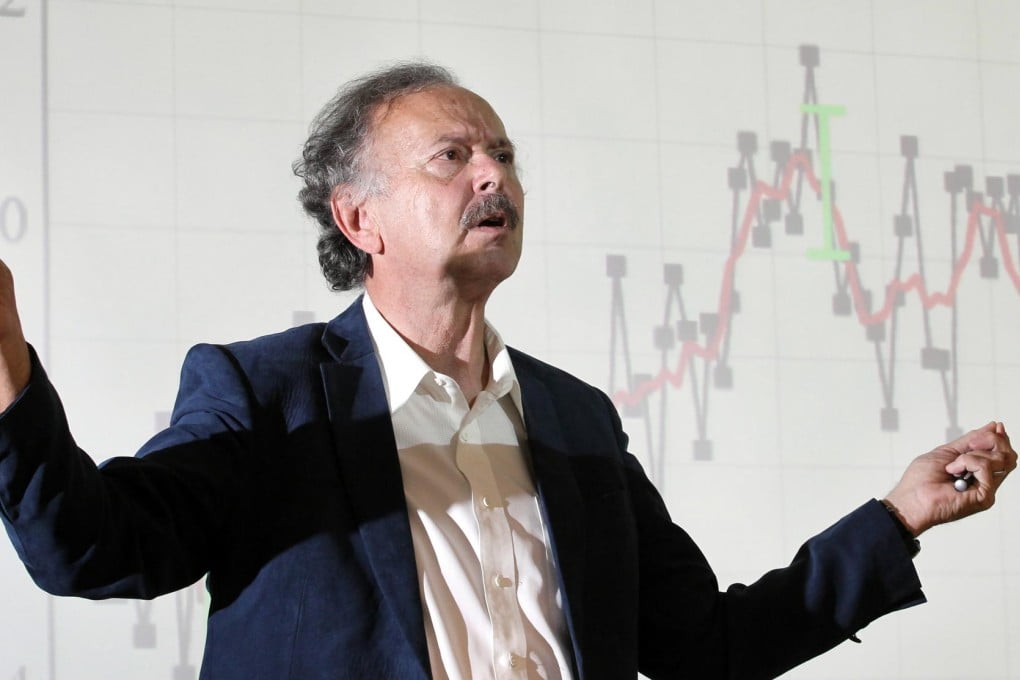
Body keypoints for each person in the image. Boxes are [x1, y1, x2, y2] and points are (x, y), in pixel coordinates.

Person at [0, 62, 1014, 680]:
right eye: (451, 157)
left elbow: (708, 647)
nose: (494, 174)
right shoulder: (268, 394)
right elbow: (91, 545)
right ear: (361, 220)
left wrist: (897, 516)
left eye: (503, 153)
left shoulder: (574, 419)